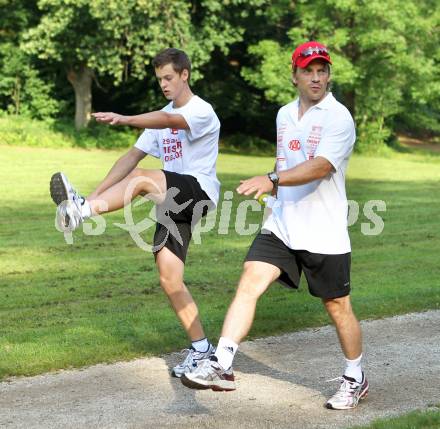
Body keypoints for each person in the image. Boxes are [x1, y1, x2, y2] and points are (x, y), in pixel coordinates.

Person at [181, 41, 369, 410]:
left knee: (337, 305)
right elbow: (287, 159)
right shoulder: (285, 114)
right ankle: (222, 362)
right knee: (250, 280)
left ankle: (354, 375)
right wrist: (274, 199)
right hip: (282, 225)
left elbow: (321, 166)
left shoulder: (338, 117)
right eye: (308, 71)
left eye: (322, 71)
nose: (316, 78)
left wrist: (272, 179)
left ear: (328, 75)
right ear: (294, 75)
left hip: (324, 230)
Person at [49, 48, 220, 378]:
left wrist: (125, 118)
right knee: (170, 279)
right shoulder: (159, 120)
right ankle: (202, 350)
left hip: (198, 192)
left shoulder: (201, 111)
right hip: (171, 201)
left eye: (169, 77)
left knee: (142, 178)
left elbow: (170, 120)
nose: (164, 84)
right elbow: (130, 158)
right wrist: (94, 197)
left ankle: (82, 209)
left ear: (185, 74)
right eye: (160, 80)